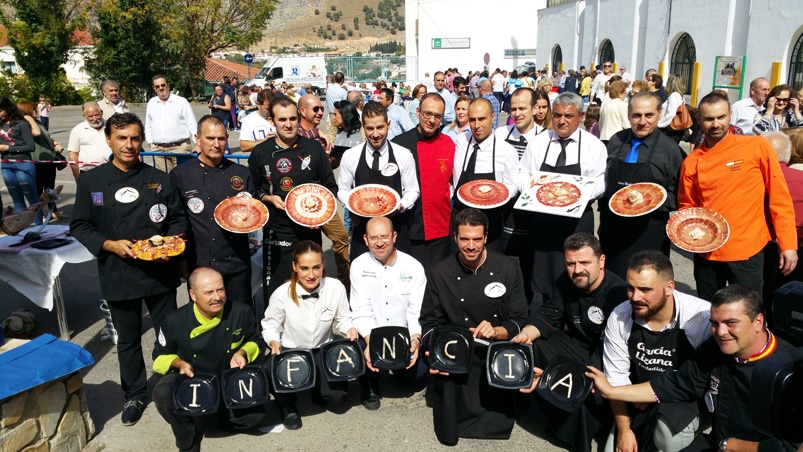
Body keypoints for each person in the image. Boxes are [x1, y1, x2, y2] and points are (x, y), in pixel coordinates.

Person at [70, 112, 185, 426]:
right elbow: (79, 225)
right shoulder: (92, 181)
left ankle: (169, 385)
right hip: (117, 271)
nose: (129, 144)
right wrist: (110, 244)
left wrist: (170, 247)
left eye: (135, 138)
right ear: (108, 139)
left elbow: (177, 220)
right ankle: (134, 394)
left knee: (168, 334)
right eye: (122, 138)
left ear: (142, 140)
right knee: (128, 339)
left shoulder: (159, 178)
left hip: (159, 272)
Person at [586, 284, 801, 452]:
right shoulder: (716, 349)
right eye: (714, 323)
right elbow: (677, 383)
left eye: (731, 322)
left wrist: (732, 446)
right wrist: (612, 391)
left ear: (758, 321)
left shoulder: (787, 372)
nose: (720, 331)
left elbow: (794, 447)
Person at [420, 208, 528, 446]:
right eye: (465, 239)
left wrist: (497, 331)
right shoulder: (440, 273)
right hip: (456, 351)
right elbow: (429, 323)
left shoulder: (509, 268)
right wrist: (434, 353)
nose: (471, 246)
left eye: (477, 239)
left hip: (494, 348)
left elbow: (519, 319)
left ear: (486, 237)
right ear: (455, 237)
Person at [513, 232, 626, 452]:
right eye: (571, 263)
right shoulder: (566, 281)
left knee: (585, 380)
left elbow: (617, 349)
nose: (577, 270)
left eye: (584, 262)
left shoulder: (618, 294)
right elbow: (548, 315)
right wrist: (527, 333)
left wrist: (590, 372)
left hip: (607, 355)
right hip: (576, 344)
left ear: (601, 261)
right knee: (534, 344)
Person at [679, 91, 797, 300]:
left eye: (721, 117)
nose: (716, 124)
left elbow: (780, 198)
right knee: (709, 310)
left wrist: (788, 245)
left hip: (747, 249)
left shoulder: (756, 146)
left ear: (730, 115)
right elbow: (687, 207)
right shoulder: (692, 161)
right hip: (707, 253)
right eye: (709, 119)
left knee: (748, 312)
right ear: (699, 120)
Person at [601, 251, 711, 452]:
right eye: (630, 288)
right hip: (638, 399)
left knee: (668, 439)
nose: (635, 297)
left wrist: (649, 395)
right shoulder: (620, 316)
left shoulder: (701, 317)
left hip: (685, 399)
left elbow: (704, 382)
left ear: (669, 287)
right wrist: (624, 430)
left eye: (645, 289)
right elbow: (616, 380)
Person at [152, 267, 263, 452]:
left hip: (227, 378)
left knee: (254, 417)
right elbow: (158, 358)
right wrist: (179, 363)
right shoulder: (174, 321)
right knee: (162, 393)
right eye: (209, 292)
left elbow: (257, 340)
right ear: (193, 295)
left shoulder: (241, 312)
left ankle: (220, 416)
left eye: (220, 290)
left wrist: (242, 352)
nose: (217, 297)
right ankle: (188, 438)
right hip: (194, 381)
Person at [247, 97, 339, 310]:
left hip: (309, 230)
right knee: (278, 290)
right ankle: (276, 337)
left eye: (292, 119)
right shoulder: (260, 153)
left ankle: (311, 336)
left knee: (310, 288)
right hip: (277, 232)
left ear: (299, 118)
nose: (288, 124)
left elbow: (329, 188)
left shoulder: (314, 150)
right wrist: (267, 198)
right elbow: (252, 191)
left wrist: (321, 217)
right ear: (272, 120)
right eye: (282, 120)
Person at [518, 92, 607, 306]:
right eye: (557, 115)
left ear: (581, 116)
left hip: (577, 221)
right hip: (543, 221)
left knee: (579, 270)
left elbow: (602, 181)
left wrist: (577, 195)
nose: (562, 120)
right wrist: (530, 191)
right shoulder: (538, 143)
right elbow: (522, 173)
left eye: (568, 115)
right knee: (544, 274)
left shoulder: (593, 146)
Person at [261, 240, 359, 430]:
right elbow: (270, 326)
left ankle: (318, 389)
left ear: (323, 265)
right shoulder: (281, 294)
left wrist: (350, 328)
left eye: (316, 267)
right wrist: (273, 341)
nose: (312, 275)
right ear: (294, 267)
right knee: (268, 366)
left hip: (322, 349)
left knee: (337, 398)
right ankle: (287, 405)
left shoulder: (335, 287)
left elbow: (343, 318)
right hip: (291, 350)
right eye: (304, 268)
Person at [170, 115, 255, 310]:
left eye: (222, 138)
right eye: (210, 138)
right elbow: (176, 220)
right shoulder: (180, 175)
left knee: (239, 315)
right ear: (197, 139)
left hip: (236, 262)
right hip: (200, 262)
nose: (217, 144)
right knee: (204, 319)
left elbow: (254, 212)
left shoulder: (241, 174)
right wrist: (180, 259)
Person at [598, 92, 685, 278]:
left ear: (659, 114)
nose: (642, 121)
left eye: (649, 115)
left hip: (648, 234)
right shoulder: (616, 140)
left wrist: (652, 201)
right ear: (628, 115)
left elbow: (680, 194)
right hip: (612, 230)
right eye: (637, 115)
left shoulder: (670, 150)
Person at [350, 217, 426, 410]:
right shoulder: (358, 266)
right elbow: (360, 310)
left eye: (384, 236)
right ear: (366, 240)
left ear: (394, 236)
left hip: (404, 335)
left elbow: (416, 310)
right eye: (374, 238)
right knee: (356, 346)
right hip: (373, 334)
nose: (380, 242)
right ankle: (370, 386)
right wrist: (369, 342)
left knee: (416, 376)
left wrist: (415, 340)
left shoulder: (413, 267)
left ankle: (399, 368)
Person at [336, 101, 420, 259]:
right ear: (363, 126)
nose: (375, 134)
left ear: (388, 124)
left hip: (396, 229)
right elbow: (343, 189)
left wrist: (401, 205)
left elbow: (412, 190)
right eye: (370, 128)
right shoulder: (351, 156)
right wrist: (351, 205)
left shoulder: (403, 155)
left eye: (380, 127)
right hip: (363, 230)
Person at [392, 93, 455, 269]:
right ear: (418, 112)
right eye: (428, 114)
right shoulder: (400, 144)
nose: (432, 120)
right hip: (408, 226)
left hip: (440, 225)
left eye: (437, 116)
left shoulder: (448, 143)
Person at [453, 98, 519, 250]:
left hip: (490, 224)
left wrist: (498, 194)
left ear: (493, 117)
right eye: (472, 120)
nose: (477, 126)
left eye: (482, 119)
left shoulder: (506, 151)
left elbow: (512, 186)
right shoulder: (462, 141)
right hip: (460, 221)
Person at [17, 101, 66, 221]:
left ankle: (53, 211)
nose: (37, 111)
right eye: (33, 109)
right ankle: (39, 214)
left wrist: (55, 143)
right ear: (27, 112)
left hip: (48, 160)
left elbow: (46, 135)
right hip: (37, 162)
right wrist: (28, 119)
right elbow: (37, 133)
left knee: (50, 188)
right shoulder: (25, 125)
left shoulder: (38, 122)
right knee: (38, 190)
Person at [145, 74, 197, 173]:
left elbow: (191, 123)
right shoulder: (151, 103)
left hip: (180, 148)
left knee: (183, 179)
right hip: (159, 150)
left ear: (168, 85)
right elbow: (148, 124)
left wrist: (197, 143)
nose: (161, 88)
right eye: (157, 86)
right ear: (154, 88)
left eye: (163, 85)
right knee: (165, 181)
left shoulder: (181, 102)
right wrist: (150, 142)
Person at [0, 97, 38, 224]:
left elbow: (30, 146)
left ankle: (39, 228)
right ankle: (22, 229)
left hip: (22, 164)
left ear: (7, 109)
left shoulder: (21, 124)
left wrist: (8, 147)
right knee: (17, 199)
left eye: (0, 111)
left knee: (32, 199)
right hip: (6, 165)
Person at [67, 101, 111, 181]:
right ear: (84, 116)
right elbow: (73, 154)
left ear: (102, 112)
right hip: (89, 174)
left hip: (112, 172)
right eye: (90, 116)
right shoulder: (77, 130)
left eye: (97, 115)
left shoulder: (112, 126)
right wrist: (77, 177)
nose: (95, 119)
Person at [238, 88, 276, 153]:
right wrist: (264, 141)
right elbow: (243, 146)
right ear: (258, 105)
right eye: (267, 109)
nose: (270, 111)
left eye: (272, 108)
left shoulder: (280, 116)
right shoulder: (249, 120)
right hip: (260, 160)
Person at [657, 74, 688, 143]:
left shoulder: (673, 96)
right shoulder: (680, 95)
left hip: (670, 129)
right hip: (676, 130)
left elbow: (671, 113)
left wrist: (659, 124)